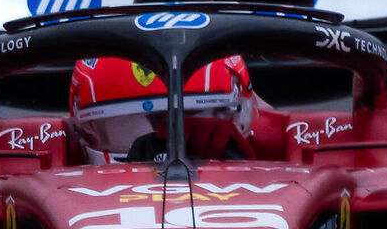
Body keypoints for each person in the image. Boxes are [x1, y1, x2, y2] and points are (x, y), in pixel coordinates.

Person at [67, 55, 259, 162]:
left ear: (237, 117)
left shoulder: (280, 146)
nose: (166, 136)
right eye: (155, 119)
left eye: (189, 116)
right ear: (88, 128)